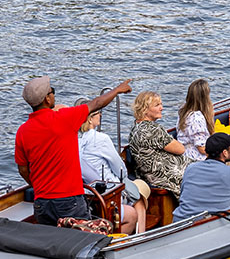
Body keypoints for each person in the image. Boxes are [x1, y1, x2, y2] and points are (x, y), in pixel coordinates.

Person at [14, 75, 132, 227]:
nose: (54, 95)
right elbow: (96, 103)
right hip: (69, 201)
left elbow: (23, 169)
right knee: (84, 241)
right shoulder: (64, 118)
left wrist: (38, 186)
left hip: (42, 203)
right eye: (52, 92)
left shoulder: (22, 131)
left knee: (51, 242)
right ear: (47, 99)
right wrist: (117, 90)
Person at [76, 101, 150, 234]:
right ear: (90, 119)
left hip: (86, 194)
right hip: (108, 195)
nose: (100, 115)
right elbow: (120, 169)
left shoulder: (74, 140)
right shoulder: (101, 139)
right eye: (98, 113)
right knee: (139, 198)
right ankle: (139, 237)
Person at [174, 133, 230, 220]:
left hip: (180, 221)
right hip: (210, 225)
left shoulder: (191, 168)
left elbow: (183, 194)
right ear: (225, 153)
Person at [128, 90, 192, 193]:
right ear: (145, 109)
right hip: (164, 176)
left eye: (161, 104)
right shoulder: (152, 129)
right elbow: (180, 149)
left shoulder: (136, 127)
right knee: (204, 171)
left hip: (149, 173)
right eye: (157, 105)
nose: (161, 108)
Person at [177, 78, 214, 162]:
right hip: (196, 158)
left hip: (184, 156)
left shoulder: (183, 111)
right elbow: (202, 148)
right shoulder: (196, 117)